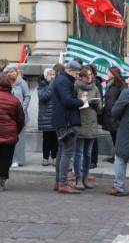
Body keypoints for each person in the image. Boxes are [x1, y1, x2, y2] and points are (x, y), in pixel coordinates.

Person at [52, 60, 85, 194]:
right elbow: (67, 101)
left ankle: (58, 181)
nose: (77, 76)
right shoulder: (64, 81)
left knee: (62, 151)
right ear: (70, 70)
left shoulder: (62, 80)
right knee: (66, 153)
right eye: (77, 73)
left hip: (63, 120)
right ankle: (63, 183)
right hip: (67, 121)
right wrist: (81, 101)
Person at [73, 66, 101, 190]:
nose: (90, 78)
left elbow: (100, 106)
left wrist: (97, 104)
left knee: (88, 154)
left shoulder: (95, 88)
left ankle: (85, 177)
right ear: (82, 76)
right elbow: (72, 103)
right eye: (87, 76)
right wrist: (84, 102)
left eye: (91, 75)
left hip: (92, 122)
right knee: (78, 153)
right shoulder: (75, 87)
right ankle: (77, 178)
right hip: (80, 122)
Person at [6, 65, 31, 167]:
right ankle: (9, 158)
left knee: (20, 139)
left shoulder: (22, 83)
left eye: (14, 71)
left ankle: (18, 160)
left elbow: (27, 96)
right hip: (8, 115)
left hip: (20, 115)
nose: (12, 73)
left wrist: (22, 108)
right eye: (10, 72)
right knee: (8, 138)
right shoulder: (6, 83)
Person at [102, 66, 126, 164]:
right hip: (110, 115)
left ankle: (119, 156)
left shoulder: (120, 85)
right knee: (114, 136)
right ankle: (116, 156)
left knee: (117, 137)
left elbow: (119, 101)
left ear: (113, 73)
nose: (107, 74)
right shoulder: (110, 84)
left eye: (108, 72)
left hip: (115, 116)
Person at [38, 67, 58, 167]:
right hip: (45, 117)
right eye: (50, 74)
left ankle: (54, 157)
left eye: (54, 74)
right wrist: (51, 85)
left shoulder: (57, 85)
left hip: (55, 116)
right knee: (46, 139)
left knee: (55, 139)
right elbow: (44, 97)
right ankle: (45, 158)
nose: (53, 76)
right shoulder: (42, 85)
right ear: (46, 76)